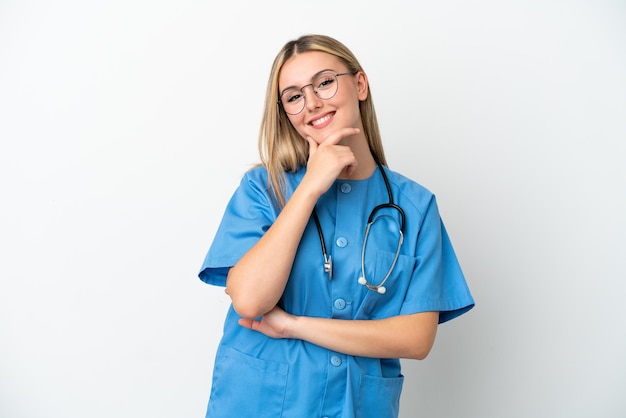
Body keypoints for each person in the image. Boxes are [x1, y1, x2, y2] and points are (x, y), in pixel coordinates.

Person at [198, 34, 474, 418]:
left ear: (359, 85)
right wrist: (310, 187)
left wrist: (293, 325)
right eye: (294, 96)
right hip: (259, 402)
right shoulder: (263, 189)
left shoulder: (415, 206)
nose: (311, 103)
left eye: (324, 82)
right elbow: (249, 300)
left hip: (356, 407)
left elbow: (416, 339)